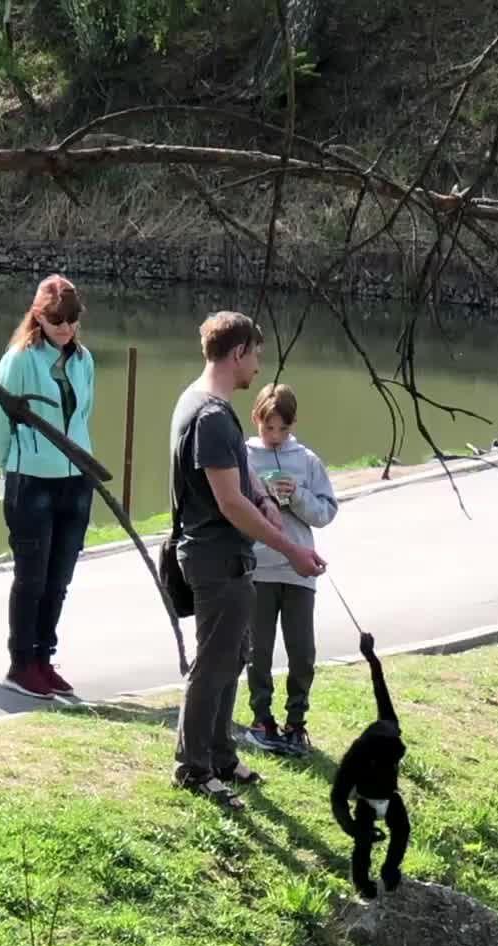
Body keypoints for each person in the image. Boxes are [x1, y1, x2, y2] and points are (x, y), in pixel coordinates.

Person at [171, 311, 327, 809]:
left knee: (234, 658)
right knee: (212, 665)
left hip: (232, 559)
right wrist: (292, 550)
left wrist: (263, 497)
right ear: (237, 352)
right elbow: (228, 501)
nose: (259, 365)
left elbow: (243, 480)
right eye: (255, 354)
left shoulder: (208, 405)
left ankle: (220, 754)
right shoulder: (211, 415)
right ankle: (192, 768)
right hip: (216, 558)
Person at [0, 275, 95, 699]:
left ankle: (45, 659)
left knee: (59, 578)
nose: (64, 328)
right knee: (31, 577)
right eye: (55, 320)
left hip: (76, 479)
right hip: (30, 480)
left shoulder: (83, 359)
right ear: (38, 316)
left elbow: (84, 413)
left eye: (70, 319)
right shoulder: (20, 358)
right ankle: (21, 662)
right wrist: (7, 465)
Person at [244, 382, 338, 756]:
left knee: (302, 651)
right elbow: (234, 505)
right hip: (259, 569)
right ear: (256, 420)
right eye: (269, 428)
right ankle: (261, 718)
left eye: (283, 429)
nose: (276, 436)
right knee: (258, 649)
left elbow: (325, 512)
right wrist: (263, 494)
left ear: (293, 424)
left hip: (298, 570)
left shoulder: (307, 460)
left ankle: (296, 721)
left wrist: (295, 495)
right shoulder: (244, 456)